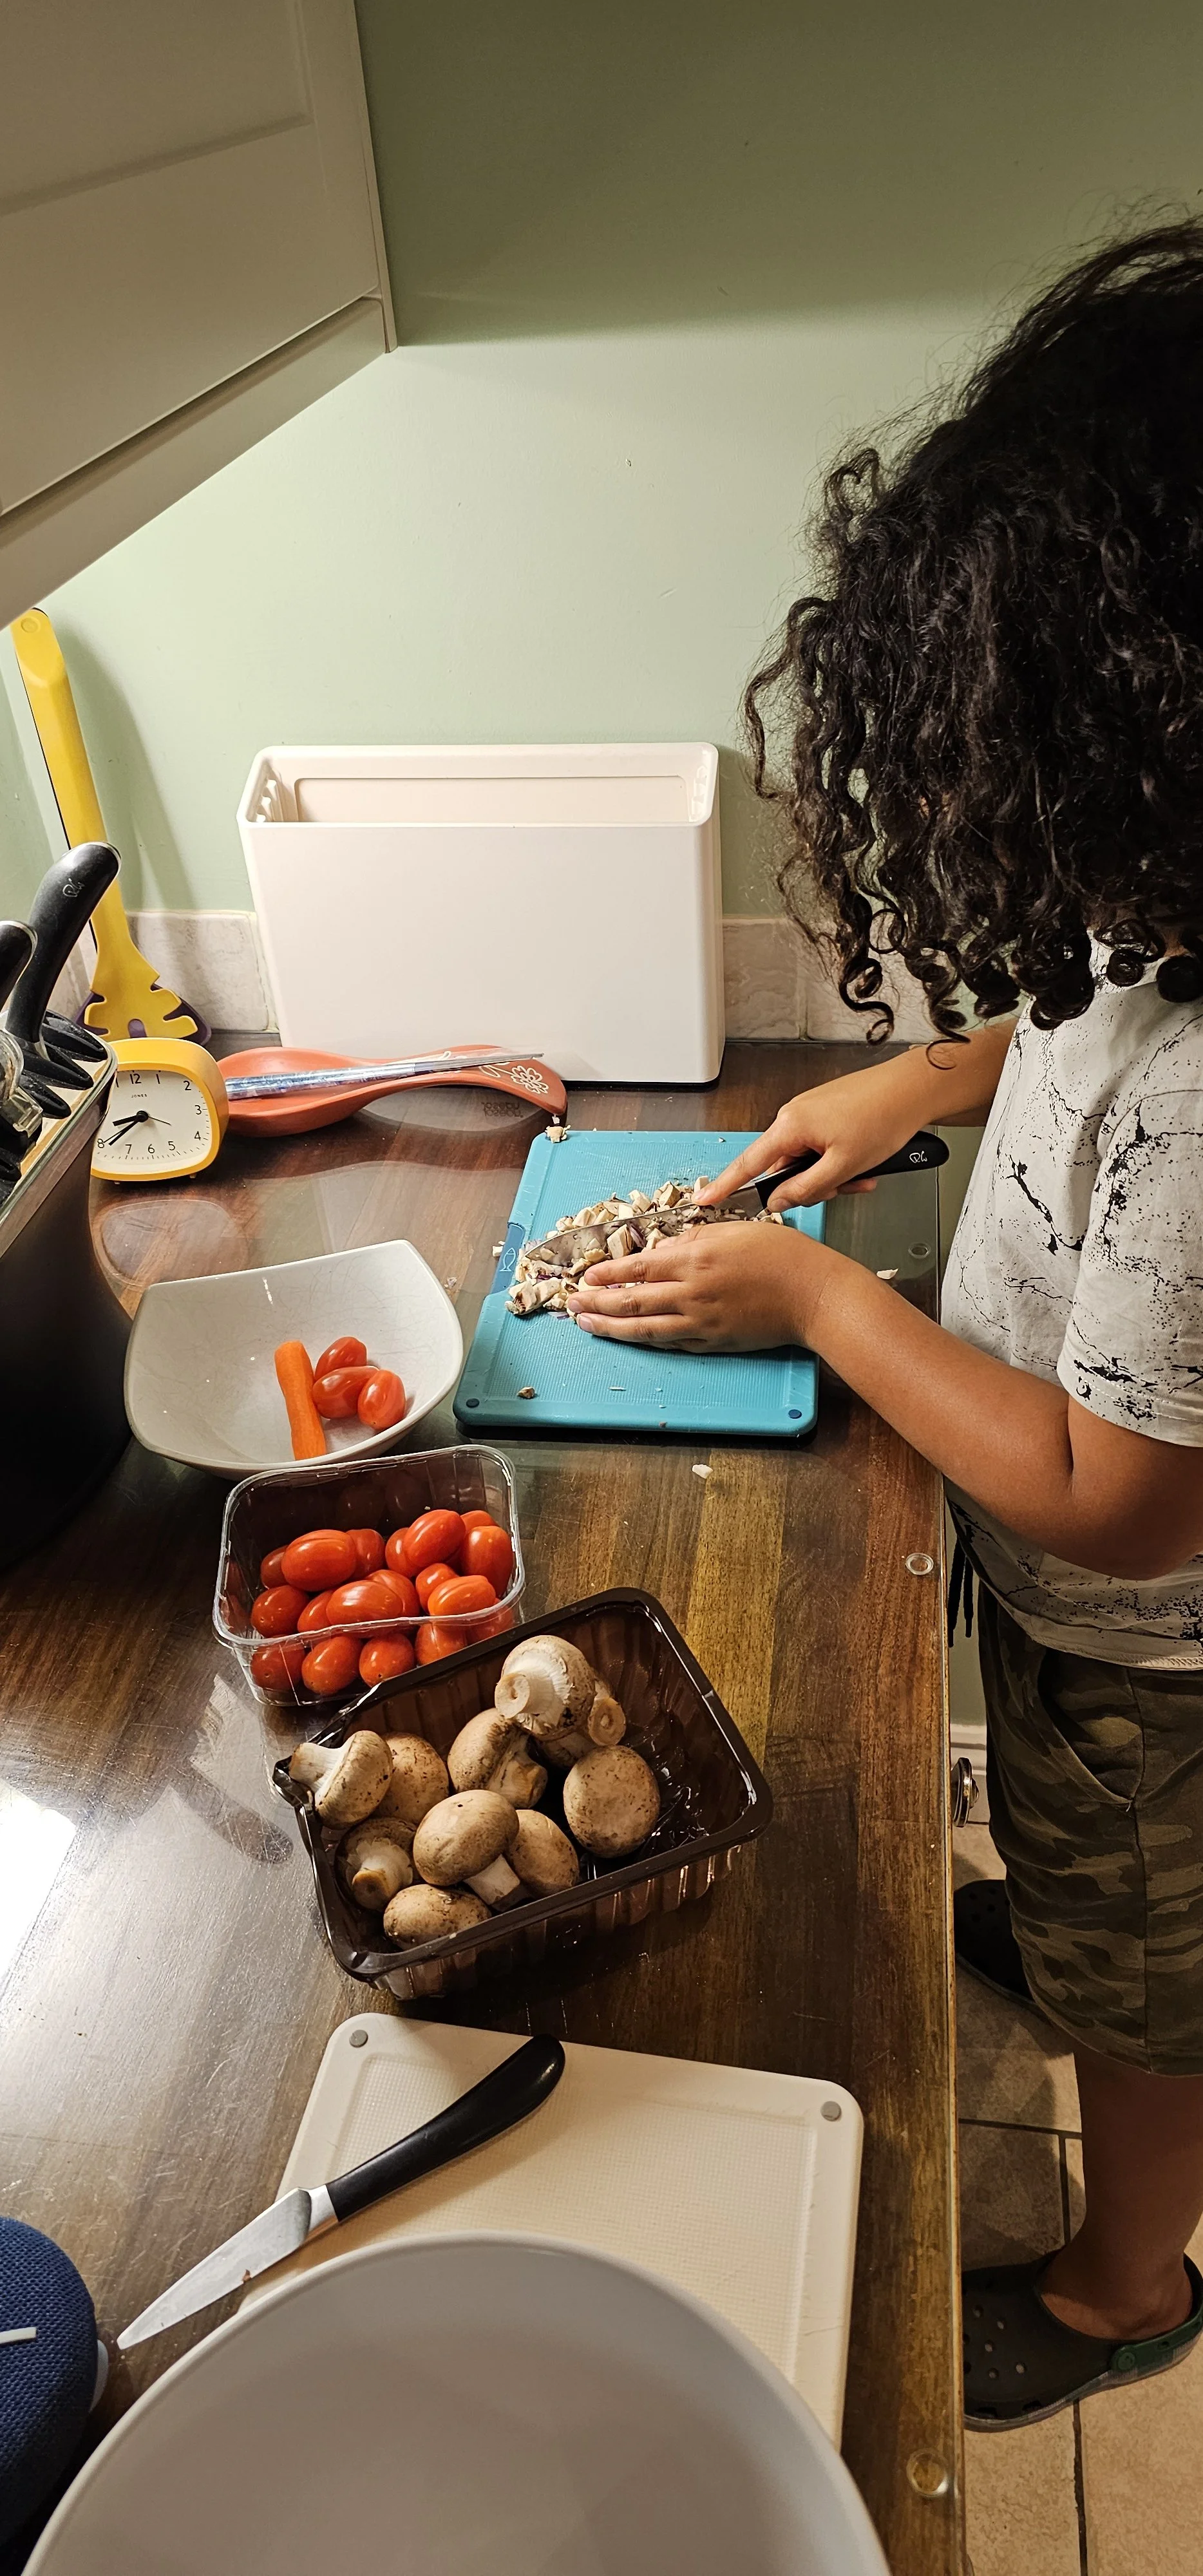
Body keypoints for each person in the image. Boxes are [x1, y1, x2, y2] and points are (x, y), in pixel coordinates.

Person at [569, 223, 1203, 2429]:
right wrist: (914, 1090)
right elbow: (1075, 1016)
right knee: (1071, 1858)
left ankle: (1136, 2283)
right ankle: (1062, 1917)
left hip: (1156, 1653)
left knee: (1150, 1980)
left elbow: (1112, 1500)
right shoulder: (1173, 892)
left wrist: (819, 1299)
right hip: (1075, 1629)